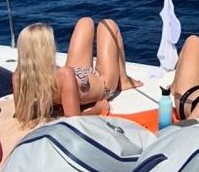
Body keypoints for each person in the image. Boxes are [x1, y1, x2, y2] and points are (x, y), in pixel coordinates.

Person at [13, 17, 141, 129]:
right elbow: (74, 119)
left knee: (85, 22)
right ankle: (122, 80)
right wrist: (98, 108)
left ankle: (122, 78)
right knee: (108, 25)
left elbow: (21, 114)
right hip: (103, 83)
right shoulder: (64, 75)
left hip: (77, 74)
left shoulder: (19, 76)